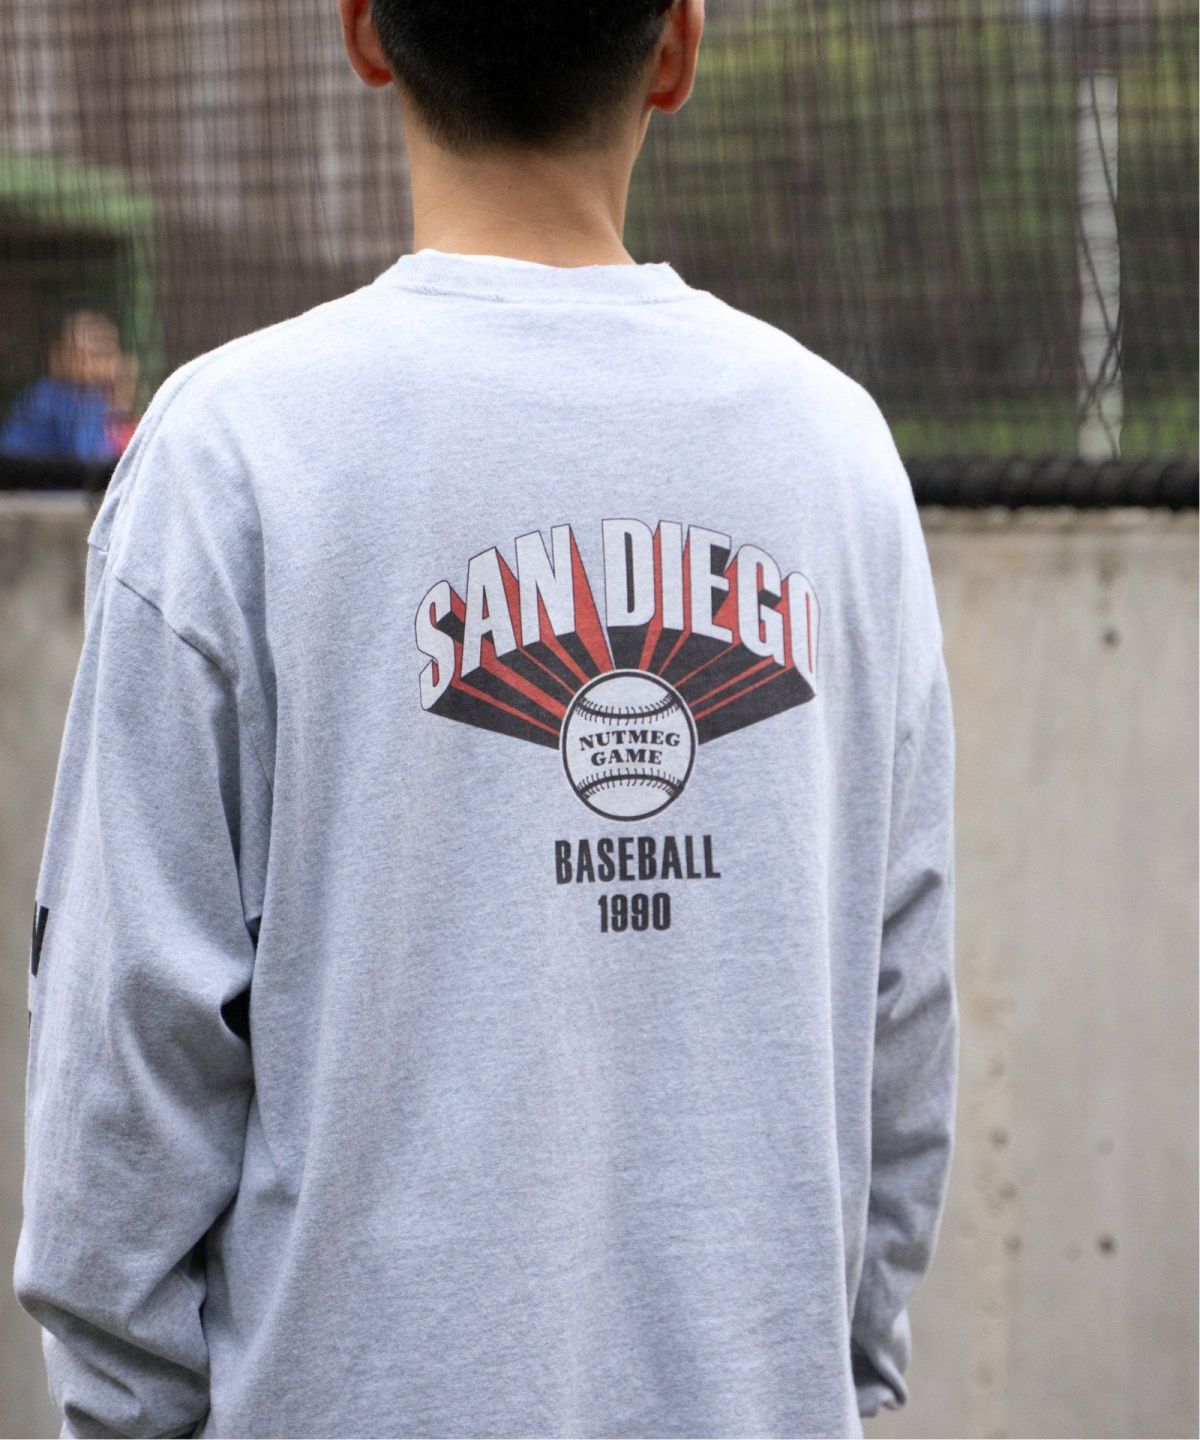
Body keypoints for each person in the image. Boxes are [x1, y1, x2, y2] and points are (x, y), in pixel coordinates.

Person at [14, 1, 958, 1436]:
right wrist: (831, 1369)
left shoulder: (234, 456)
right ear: (679, 46)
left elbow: (122, 1065)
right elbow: (905, 1008)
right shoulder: (835, 458)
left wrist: (128, 1415)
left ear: (364, 32)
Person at [0, 309, 138, 465]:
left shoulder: (95, 399)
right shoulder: (48, 397)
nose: (101, 365)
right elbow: (89, 460)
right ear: (60, 357)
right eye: (93, 354)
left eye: (108, 353)